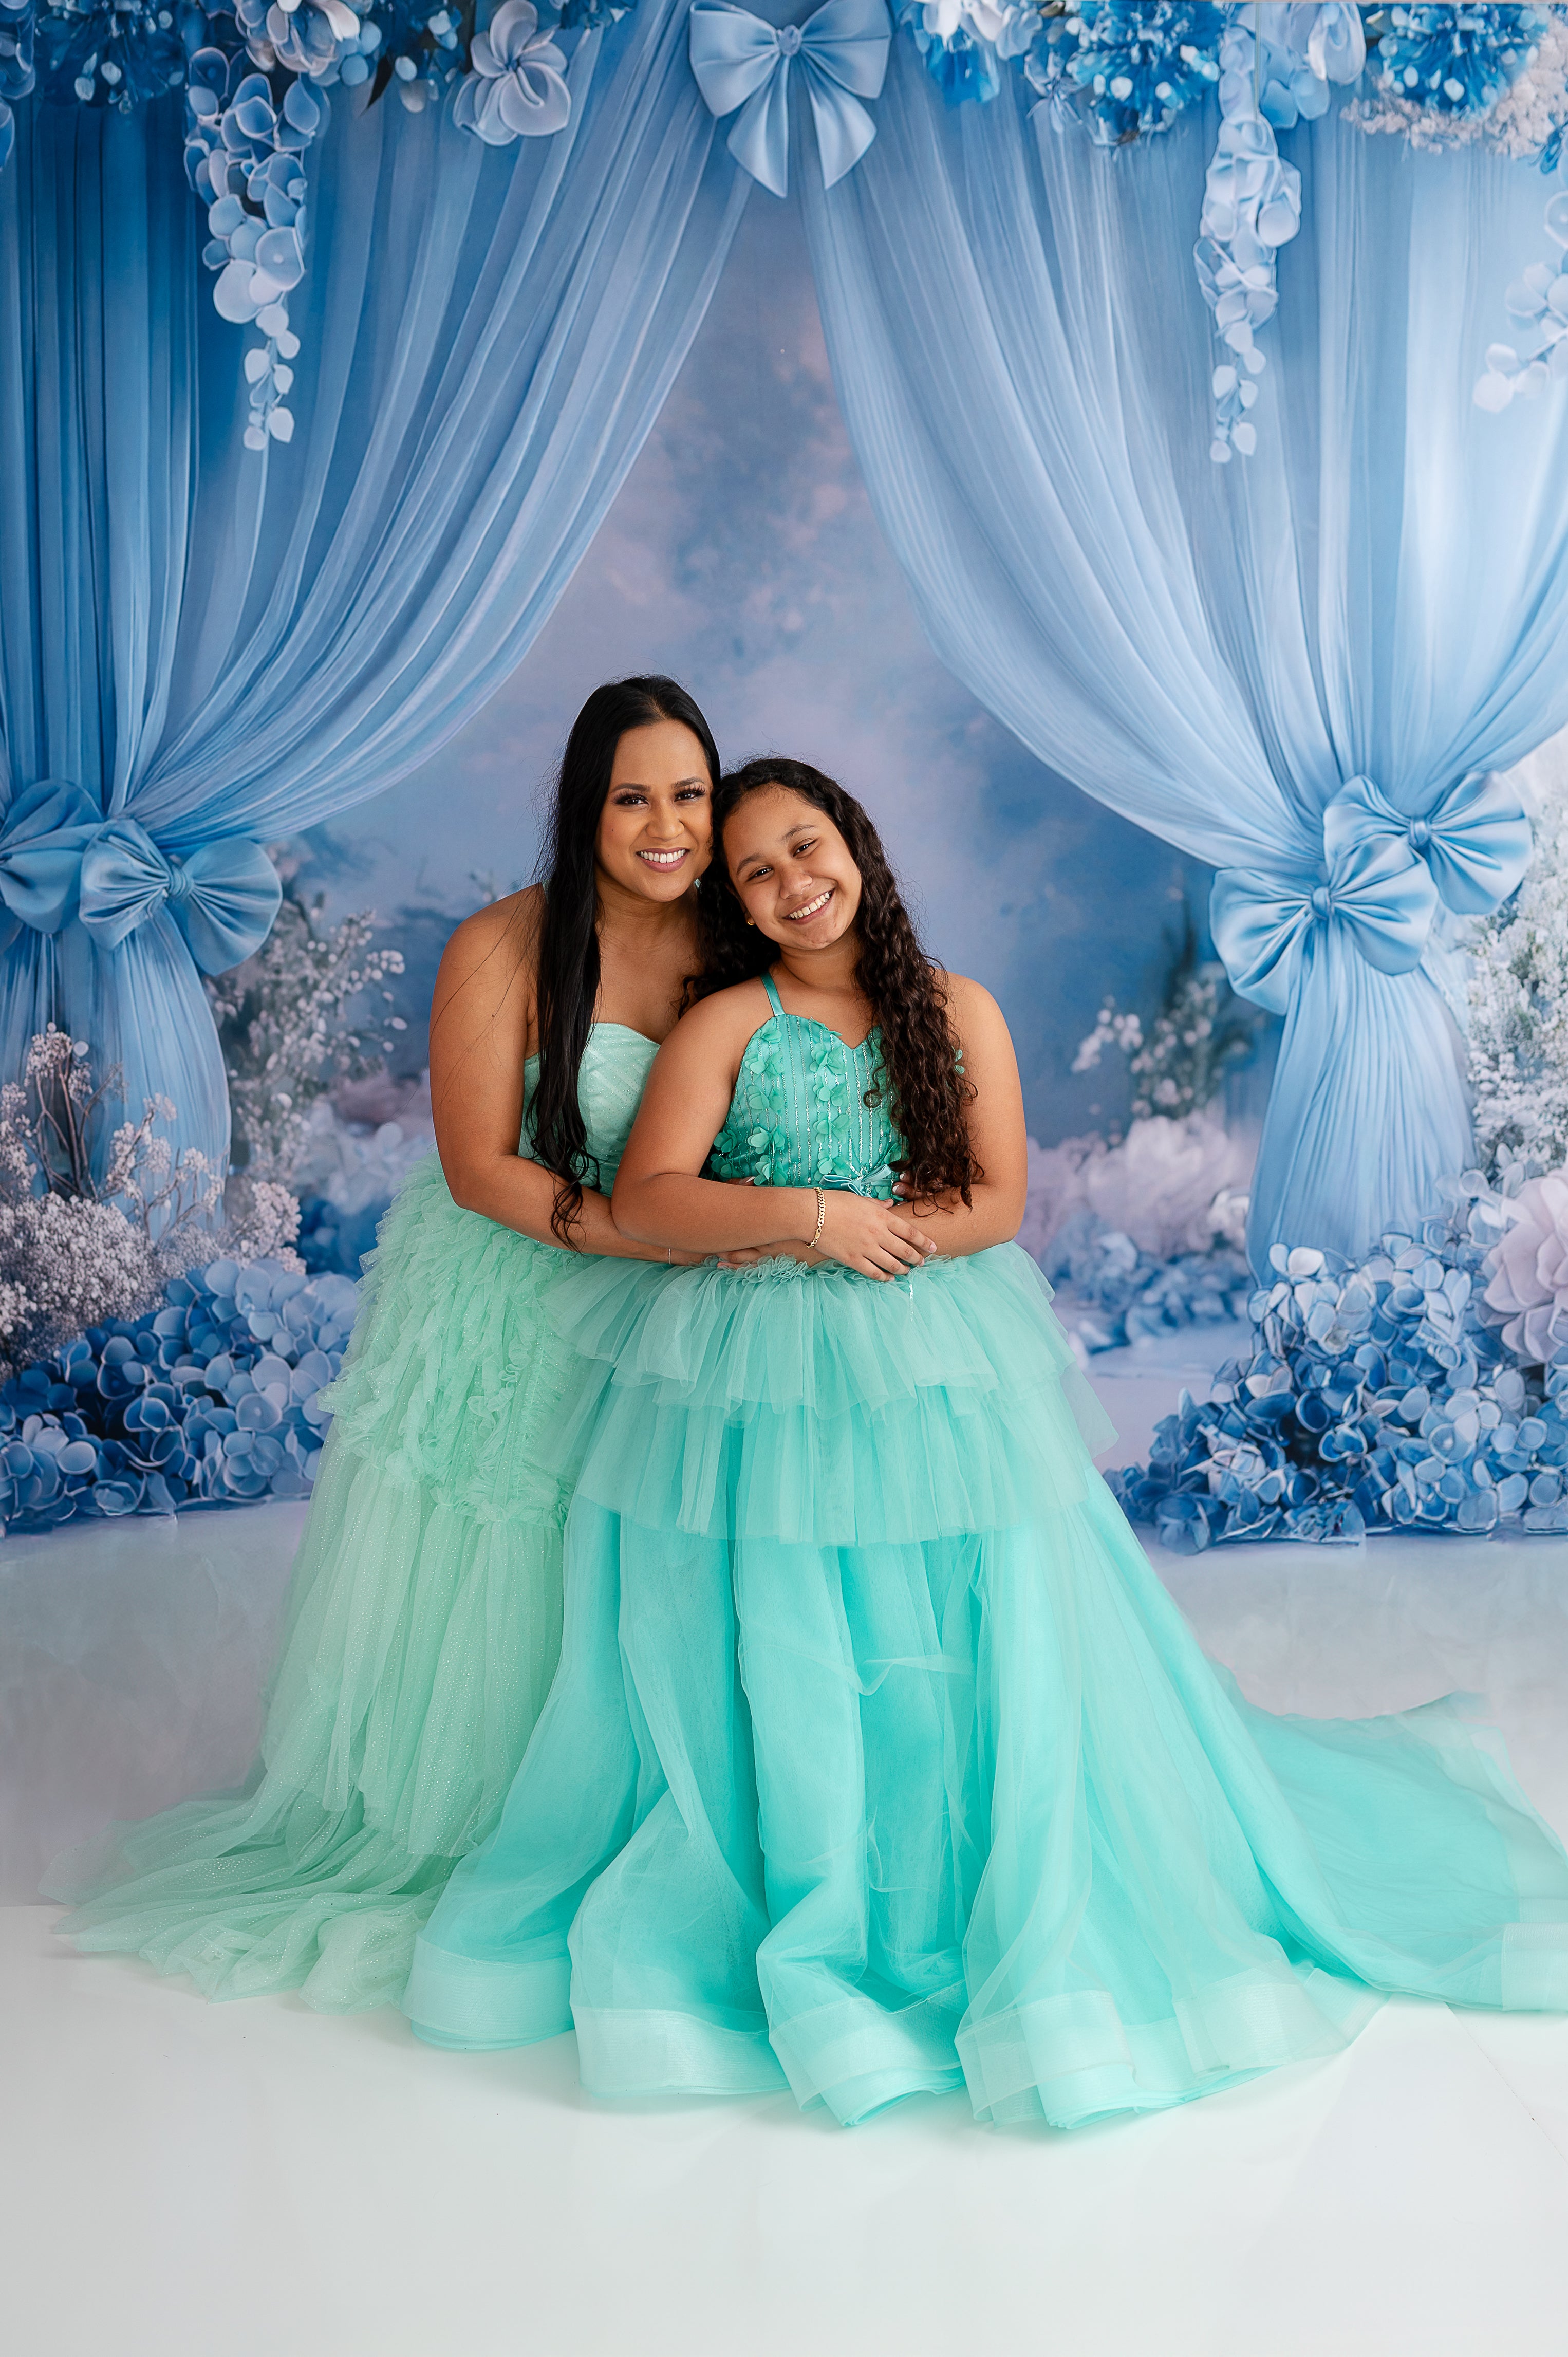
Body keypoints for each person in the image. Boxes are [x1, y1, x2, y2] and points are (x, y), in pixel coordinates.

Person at [405, 755, 1568, 2130]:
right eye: (756, 874)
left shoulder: (957, 1009)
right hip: (755, 1356)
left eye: (804, 847)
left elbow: (997, 1198)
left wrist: (878, 1240)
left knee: (974, 1605)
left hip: (929, 1343)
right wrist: (808, 1218)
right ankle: (812, 1866)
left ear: (857, 840)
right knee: (784, 1612)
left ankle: (951, 1842)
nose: (790, 883)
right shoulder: (729, 1019)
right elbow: (655, 1194)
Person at [45, 677, 720, 2013]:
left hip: (672, 1293)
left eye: (688, 793)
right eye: (631, 795)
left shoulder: (740, 942)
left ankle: (676, 1807)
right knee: (515, 1561)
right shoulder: (506, 945)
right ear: (584, 806)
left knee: (668, 1545)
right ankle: (504, 1812)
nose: (664, 824)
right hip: (518, 1286)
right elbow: (479, 1167)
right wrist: (657, 1238)